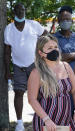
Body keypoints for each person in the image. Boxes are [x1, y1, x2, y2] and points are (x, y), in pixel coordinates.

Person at [4, 3, 48, 131]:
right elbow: (7, 52)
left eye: (23, 9)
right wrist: (8, 71)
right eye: (18, 9)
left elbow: (46, 35)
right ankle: (19, 123)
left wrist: (43, 53)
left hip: (35, 64)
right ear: (14, 12)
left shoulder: (33, 24)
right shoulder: (9, 28)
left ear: (25, 11)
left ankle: (41, 118)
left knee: (39, 92)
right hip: (18, 66)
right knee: (18, 92)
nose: (21, 11)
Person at [28, 34, 75, 131]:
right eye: (50, 48)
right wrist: (46, 119)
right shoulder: (36, 72)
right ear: (41, 53)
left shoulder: (66, 66)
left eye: (56, 47)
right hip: (46, 122)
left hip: (66, 120)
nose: (54, 50)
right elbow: (32, 99)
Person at [54, 5, 75, 71]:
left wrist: (67, 56)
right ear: (58, 21)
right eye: (63, 19)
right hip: (63, 76)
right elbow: (59, 58)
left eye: (68, 19)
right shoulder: (54, 38)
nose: (65, 21)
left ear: (72, 21)